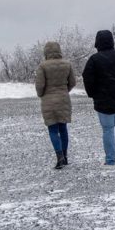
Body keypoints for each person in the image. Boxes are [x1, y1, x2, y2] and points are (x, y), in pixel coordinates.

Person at [81, 29, 115, 166]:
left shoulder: (94, 60)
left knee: (108, 130)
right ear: (112, 41)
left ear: (97, 43)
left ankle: (110, 160)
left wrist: (93, 94)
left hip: (103, 101)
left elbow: (87, 78)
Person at [35, 41, 76, 170]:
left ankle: (59, 157)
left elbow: (40, 85)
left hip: (48, 100)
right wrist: (64, 90)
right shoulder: (67, 64)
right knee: (63, 128)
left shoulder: (43, 66)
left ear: (46, 52)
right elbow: (73, 82)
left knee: (53, 130)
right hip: (64, 98)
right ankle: (65, 156)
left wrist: (41, 94)